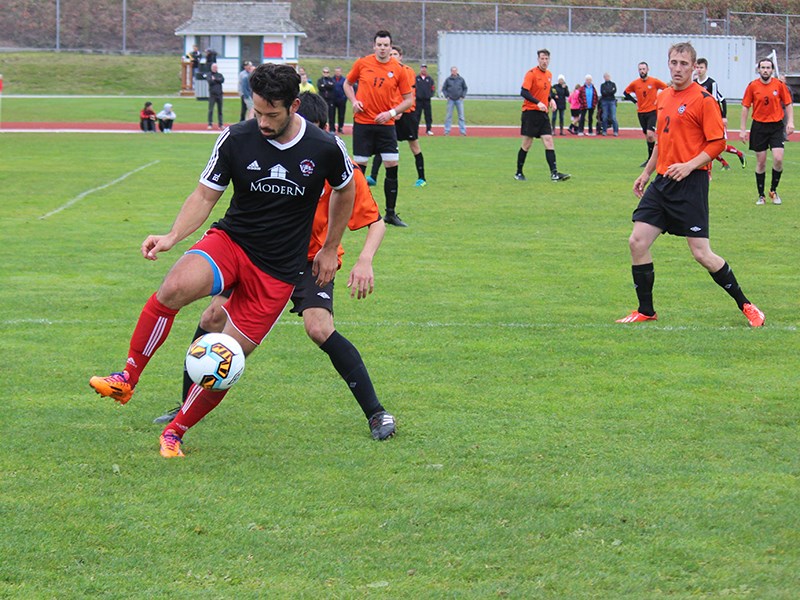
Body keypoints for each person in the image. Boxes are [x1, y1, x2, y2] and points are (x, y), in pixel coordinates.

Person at [89, 63, 356, 458]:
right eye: (257, 111)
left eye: (272, 114)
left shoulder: (325, 147)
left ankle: (176, 432)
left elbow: (345, 191)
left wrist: (330, 248)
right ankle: (127, 376)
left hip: (278, 271)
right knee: (174, 286)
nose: (262, 121)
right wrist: (171, 236)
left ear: (294, 105)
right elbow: (203, 196)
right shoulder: (235, 138)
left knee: (226, 360)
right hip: (232, 242)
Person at [153, 92, 395, 442]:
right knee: (210, 319)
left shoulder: (337, 165)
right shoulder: (273, 151)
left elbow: (376, 221)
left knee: (319, 328)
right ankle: (186, 403)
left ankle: (376, 412)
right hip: (262, 258)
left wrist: (364, 260)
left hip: (312, 261)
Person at [617, 42, 764, 329]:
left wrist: (689, 165)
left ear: (694, 67)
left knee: (701, 254)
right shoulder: (663, 97)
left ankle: (746, 305)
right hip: (663, 182)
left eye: (685, 64)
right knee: (637, 241)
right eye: (674, 62)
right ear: (668, 64)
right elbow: (662, 140)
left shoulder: (703, 99)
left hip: (691, 183)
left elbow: (719, 142)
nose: (678, 68)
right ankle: (646, 310)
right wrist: (646, 173)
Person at [344, 30, 414, 228]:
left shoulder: (399, 69)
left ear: (391, 48)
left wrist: (391, 113)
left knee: (392, 166)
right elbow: (348, 84)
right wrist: (354, 101)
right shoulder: (362, 63)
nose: (383, 48)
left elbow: (409, 100)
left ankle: (390, 214)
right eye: (380, 45)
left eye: (386, 45)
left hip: (386, 126)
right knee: (359, 169)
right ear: (374, 46)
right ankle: (357, 214)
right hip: (363, 124)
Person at [368, 46, 427, 189]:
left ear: (401, 56)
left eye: (396, 54)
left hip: (406, 114)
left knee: (414, 145)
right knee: (384, 144)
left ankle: (422, 178)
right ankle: (373, 177)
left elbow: (409, 93)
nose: (393, 56)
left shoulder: (407, 71)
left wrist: (400, 109)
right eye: (391, 53)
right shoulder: (384, 71)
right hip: (391, 113)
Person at [740, 57, 794, 205]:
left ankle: (773, 191)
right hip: (759, 127)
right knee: (761, 162)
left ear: (772, 70)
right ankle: (761, 195)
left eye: (768, 68)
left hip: (776, 126)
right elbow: (745, 107)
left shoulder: (779, 85)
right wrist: (743, 129)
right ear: (758, 70)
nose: (765, 70)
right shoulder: (752, 86)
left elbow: (788, 104)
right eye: (763, 67)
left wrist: (790, 122)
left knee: (778, 158)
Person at [514, 49, 571, 182]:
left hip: (543, 114)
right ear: (538, 59)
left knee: (549, 141)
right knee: (527, 144)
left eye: (546, 59)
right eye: (542, 58)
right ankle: (518, 173)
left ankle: (554, 174)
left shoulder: (549, 75)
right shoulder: (531, 74)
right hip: (530, 112)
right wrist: (538, 102)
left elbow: (546, 91)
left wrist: (550, 99)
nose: (544, 61)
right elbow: (524, 92)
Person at [694, 58, 746, 171]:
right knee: (704, 145)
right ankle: (724, 163)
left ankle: (734, 156)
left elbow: (716, 101)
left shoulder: (712, 83)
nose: (699, 70)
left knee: (716, 145)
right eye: (697, 67)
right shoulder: (694, 83)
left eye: (701, 67)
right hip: (700, 118)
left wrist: (723, 116)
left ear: (706, 69)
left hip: (713, 117)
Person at [624, 61, 668, 167]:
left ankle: (656, 158)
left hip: (652, 111)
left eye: (644, 69)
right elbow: (626, 92)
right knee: (648, 137)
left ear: (648, 70)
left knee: (650, 134)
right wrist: (635, 102)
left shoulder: (654, 81)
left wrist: (660, 100)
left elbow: (667, 88)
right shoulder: (635, 83)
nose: (642, 71)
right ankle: (651, 158)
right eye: (640, 69)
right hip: (641, 112)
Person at [441, 66, 467, 136]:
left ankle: (463, 131)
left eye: (455, 71)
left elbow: (465, 88)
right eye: (453, 71)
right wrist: (447, 96)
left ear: (457, 71)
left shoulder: (461, 79)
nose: (454, 72)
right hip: (451, 100)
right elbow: (444, 89)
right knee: (448, 116)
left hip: (459, 100)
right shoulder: (448, 80)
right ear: (451, 72)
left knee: (461, 116)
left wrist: (462, 96)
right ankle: (447, 131)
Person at [415, 63, 436, 135]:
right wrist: (416, 95)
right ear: (420, 69)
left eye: (425, 68)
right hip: (418, 100)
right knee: (417, 115)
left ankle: (428, 129)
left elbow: (433, 88)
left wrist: (430, 95)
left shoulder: (429, 79)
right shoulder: (416, 78)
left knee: (428, 115)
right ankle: (415, 130)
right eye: (422, 68)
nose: (423, 69)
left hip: (427, 100)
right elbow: (413, 88)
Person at [205, 62, 225, 129]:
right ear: (211, 68)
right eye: (214, 67)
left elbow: (222, 80)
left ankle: (221, 124)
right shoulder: (209, 75)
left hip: (219, 94)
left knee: (220, 110)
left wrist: (215, 79)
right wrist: (216, 80)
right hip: (212, 95)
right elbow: (210, 81)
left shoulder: (219, 75)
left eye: (216, 67)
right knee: (211, 110)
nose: (215, 68)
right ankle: (210, 124)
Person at [599, 72, 619, 137]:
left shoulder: (613, 84)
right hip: (604, 102)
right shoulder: (602, 85)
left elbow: (614, 91)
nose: (607, 78)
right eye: (605, 76)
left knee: (613, 117)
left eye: (608, 76)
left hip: (612, 101)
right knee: (604, 117)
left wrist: (608, 92)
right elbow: (603, 92)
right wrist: (609, 92)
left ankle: (615, 131)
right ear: (604, 78)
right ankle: (604, 131)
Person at [317, 67, 336, 131]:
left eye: (327, 72)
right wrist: (327, 86)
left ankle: (332, 129)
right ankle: (321, 128)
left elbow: (332, 86)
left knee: (331, 115)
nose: (326, 73)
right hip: (322, 99)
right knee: (322, 115)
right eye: (324, 72)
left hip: (330, 100)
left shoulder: (331, 80)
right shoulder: (320, 80)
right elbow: (320, 87)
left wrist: (325, 85)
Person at [331, 67, 347, 134]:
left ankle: (340, 128)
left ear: (341, 72)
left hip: (341, 100)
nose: (337, 73)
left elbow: (346, 89)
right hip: (333, 100)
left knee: (341, 115)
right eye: (336, 71)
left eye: (339, 71)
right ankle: (332, 129)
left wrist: (344, 97)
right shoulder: (331, 79)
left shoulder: (344, 80)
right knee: (332, 114)